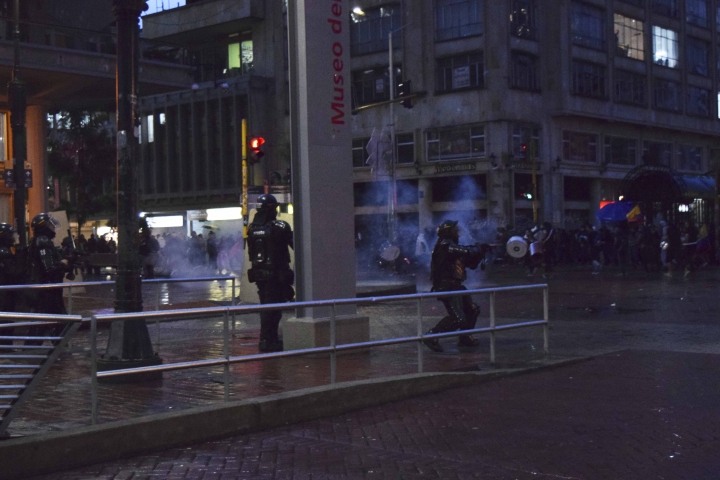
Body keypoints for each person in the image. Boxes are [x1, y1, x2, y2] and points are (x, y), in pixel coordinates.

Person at [423, 220, 490, 353]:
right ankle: (431, 336)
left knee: (472, 310)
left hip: (456, 286)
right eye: (455, 230)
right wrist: (478, 248)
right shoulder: (445, 244)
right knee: (458, 318)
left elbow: (469, 262)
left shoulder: (451, 246)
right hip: (447, 286)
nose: (458, 232)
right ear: (449, 231)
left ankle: (465, 338)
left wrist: (481, 251)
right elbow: (465, 251)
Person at [247, 194, 294, 352]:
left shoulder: (253, 229)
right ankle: (269, 341)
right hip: (276, 275)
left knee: (266, 308)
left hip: (260, 275)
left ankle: (267, 339)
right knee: (273, 310)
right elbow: (297, 245)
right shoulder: (279, 227)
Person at [26, 213, 72, 342]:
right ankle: (34, 348)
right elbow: (49, 268)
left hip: (48, 289)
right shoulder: (43, 241)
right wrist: (62, 263)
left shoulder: (41, 241)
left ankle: (39, 346)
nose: (53, 229)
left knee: (47, 321)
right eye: (50, 226)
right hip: (48, 290)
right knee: (51, 321)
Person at [0, 223, 24, 345]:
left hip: (5, 293)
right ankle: (6, 347)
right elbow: (14, 273)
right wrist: (20, 256)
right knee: (6, 320)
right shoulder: (4, 253)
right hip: (5, 295)